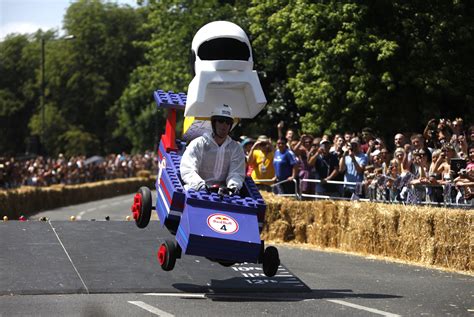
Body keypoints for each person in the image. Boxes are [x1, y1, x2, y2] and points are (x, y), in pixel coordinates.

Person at [180, 104, 245, 194]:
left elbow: (236, 173)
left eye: (228, 122)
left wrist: (233, 187)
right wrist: (200, 185)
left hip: (224, 194)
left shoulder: (236, 148)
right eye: (221, 121)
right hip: (196, 191)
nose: (224, 125)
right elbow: (188, 169)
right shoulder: (198, 144)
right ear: (213, 123)